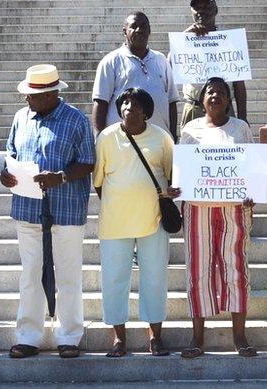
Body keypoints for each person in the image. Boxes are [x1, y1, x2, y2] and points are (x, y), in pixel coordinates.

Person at [1, 65, 95, 359]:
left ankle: (68, 337)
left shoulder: (76, 120)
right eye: (26, 94)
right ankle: (29, 336)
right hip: (28, 209)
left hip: (65, 209)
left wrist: (61, 177)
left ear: (52, 94)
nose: (27, 100)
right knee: (30, 274)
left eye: (33, 95)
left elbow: (88, 162)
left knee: (67, 276)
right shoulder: (21, 118)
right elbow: (11, 156)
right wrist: (7, 175)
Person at [94, 87, 180, 358]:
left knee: (154, 278)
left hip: (152, 221)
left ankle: (155, 337)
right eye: (125, 102)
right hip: (114, 223)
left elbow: (171, 176)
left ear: (146, 111)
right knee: (114, 280)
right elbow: (98, 182)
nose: (129, 107)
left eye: (136, 103)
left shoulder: (162, 138)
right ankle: (119, 339)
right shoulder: (106, 138)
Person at [178, 78, 256, 358]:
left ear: (229, 100)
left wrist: (251, 193)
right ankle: (197, 338)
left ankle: (240, 337)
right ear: (201, 100)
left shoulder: (241, 128)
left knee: (235, 269)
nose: (216, 96)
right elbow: (182, 169)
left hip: (233, 209)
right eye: (210, 92)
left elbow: (251, 167)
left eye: (222, 93)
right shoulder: (190, 129)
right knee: (199, 271)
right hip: (198, 208)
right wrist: (180, 191)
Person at [93, 11, 179, 140]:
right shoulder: (111, 61)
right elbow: (100, 102)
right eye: (133, 26)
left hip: (159, 142)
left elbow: (172, 101)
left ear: (149, 30)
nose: (139, 30)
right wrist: (98, 138)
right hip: (122, 143)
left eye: (143, 26)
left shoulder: (161, 60)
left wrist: (172, 136)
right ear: (125, 31)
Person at [171, 0, 247, 131]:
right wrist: (185, 36)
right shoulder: (185, 39)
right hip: (194, 109)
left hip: (223, 108)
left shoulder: (230, 41)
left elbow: (239, 84)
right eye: (197, 8)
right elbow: (169, 65)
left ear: (216, 10)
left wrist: (242, 117)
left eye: (206, 7)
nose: (201, 11)